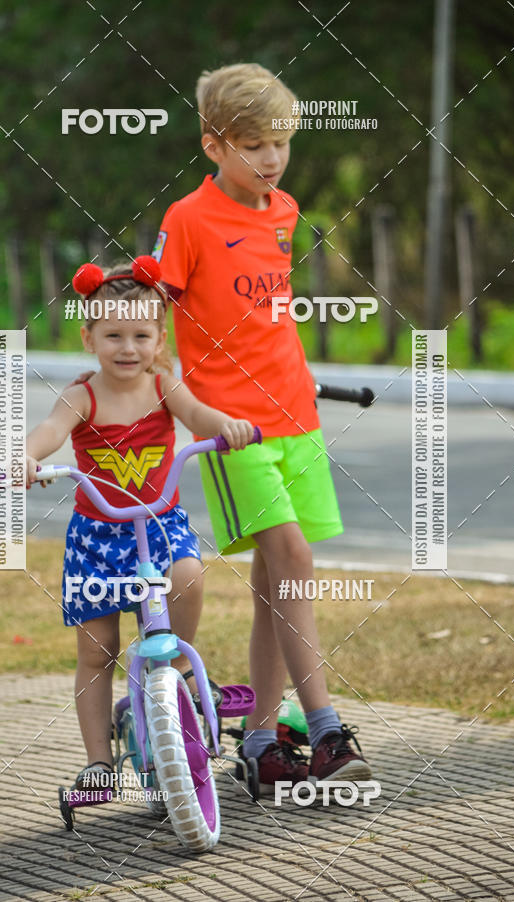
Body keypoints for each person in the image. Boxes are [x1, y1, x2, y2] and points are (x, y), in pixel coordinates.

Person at [151, 63, 372, 787]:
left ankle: (261, 741)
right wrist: (188, 406)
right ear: (214, 146)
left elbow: (265, 311)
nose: (272, 159)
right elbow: (155, 328)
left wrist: (298, 370)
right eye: (255, 145)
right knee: (296, 559)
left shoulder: (284, 210)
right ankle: (330, 728)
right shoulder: (186, 220)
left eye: (281, 143)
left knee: (271, 582)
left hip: (296, 416)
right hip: (230, 430)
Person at [26, 255, 252, 786]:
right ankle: (98, 765)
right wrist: (26, 457)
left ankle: (175, 667)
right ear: (89, 338)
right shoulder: (81, 395)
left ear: (159, 340)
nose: (127, 348)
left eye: (140, 336)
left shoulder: (164, 387)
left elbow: (199, 417)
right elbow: (49, 430)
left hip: (159, 523)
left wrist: (230, 427)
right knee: (95, 651)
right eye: (113, 336)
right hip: (97, 536)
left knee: (189, 573)